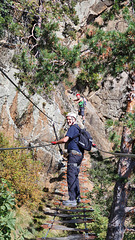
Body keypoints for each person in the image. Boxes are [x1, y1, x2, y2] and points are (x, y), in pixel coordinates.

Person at [51, 112, 84, 207]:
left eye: (70, 119)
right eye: (67, 119)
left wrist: (56, 142)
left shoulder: (73, 128)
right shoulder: (78, 129)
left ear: (74, 119)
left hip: (74, 156)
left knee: (71, 176)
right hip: (78, 156)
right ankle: (77, 198)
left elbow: (65, 139)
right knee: (75, 176)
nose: (68, 121)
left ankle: (72, 200)